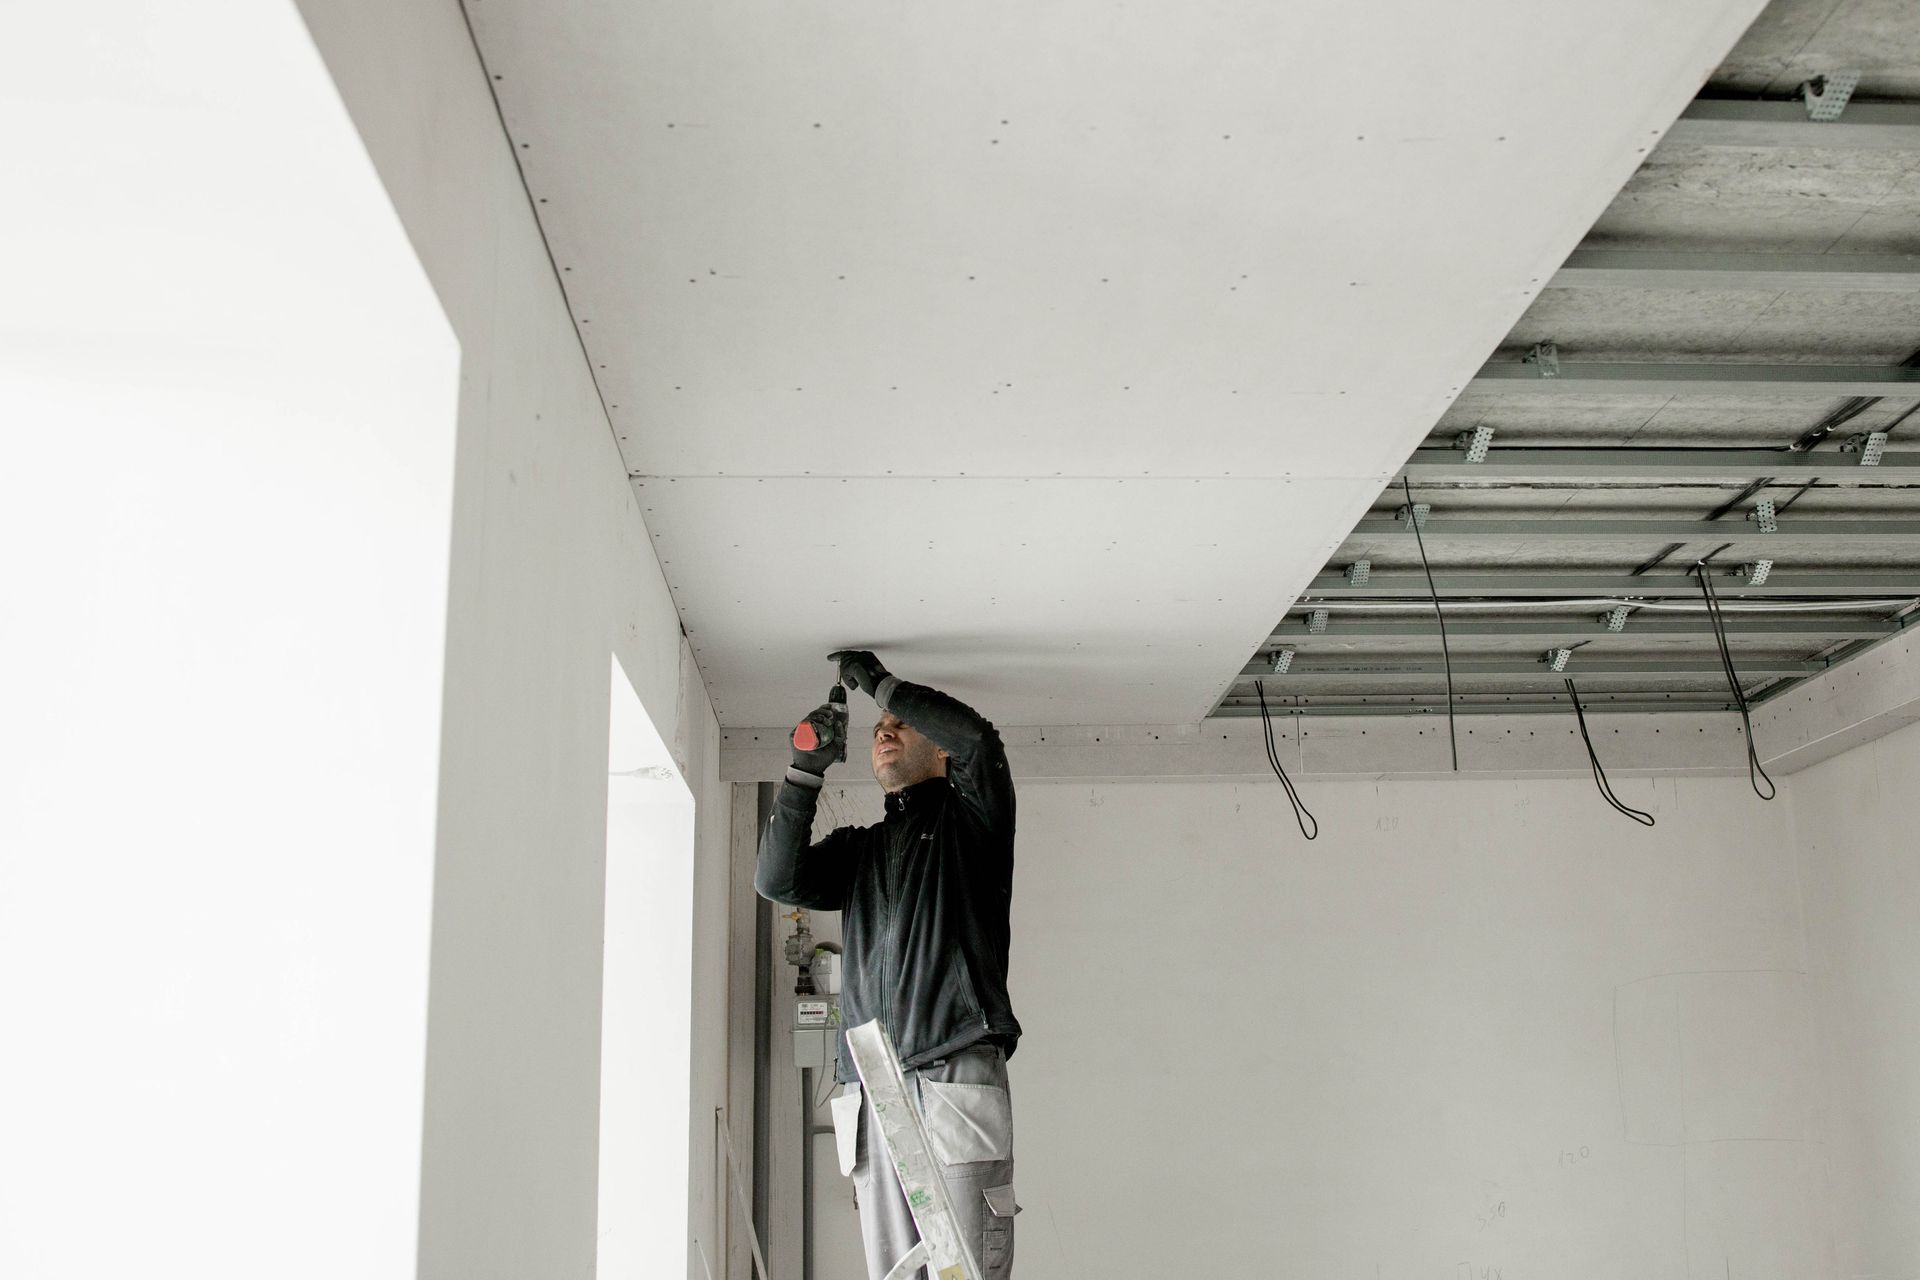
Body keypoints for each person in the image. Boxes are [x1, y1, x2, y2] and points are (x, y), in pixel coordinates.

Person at [756, 649, 1023, 1280]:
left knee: (965, 1265)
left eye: (901, 724)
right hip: (872, 1081)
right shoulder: (860, 852)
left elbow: (979, 740)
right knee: (895, 1272)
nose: (885, 731)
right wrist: (804, 772)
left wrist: (882, 687)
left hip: (951, 1064)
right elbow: (777, 880)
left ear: (941, 751)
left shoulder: (973, 824)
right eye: (879, 729)